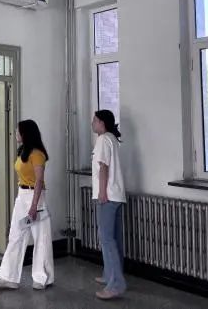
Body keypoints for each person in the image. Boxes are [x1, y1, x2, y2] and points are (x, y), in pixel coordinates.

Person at [0, 119, 54, 290]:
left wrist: (34, 206)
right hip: (22, 196)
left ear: (26, 133)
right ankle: (9, 277)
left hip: (36, 197)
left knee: (41, 238)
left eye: (18, 131)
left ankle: (42, 278)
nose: (16, 133)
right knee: (16, 235)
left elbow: (39, 181)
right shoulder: (22, 151)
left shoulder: (38, 154)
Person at [91, 110, 126, 300]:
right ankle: (109, 275)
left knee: (106, 238)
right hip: (117, 195)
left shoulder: (103, 139)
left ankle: (116, 284)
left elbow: (103, 167)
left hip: (109, 196)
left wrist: (102, 192)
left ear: (102, 123)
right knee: (114, 239)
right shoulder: (112, 138)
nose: (92, 123)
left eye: (95, 120)